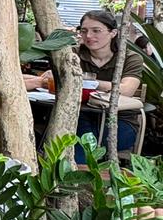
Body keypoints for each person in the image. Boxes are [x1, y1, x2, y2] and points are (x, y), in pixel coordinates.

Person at [24, 9, 143, 157]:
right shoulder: (72, 54)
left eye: (96, 31)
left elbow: (126, 90)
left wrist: (85, 81)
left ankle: (70, 172)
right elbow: (52, 79)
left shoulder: (130, 58)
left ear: (113, 33)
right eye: (84, 31)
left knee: (80, 143)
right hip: (78, 114)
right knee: (76, 136)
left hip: (118, 121)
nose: (89, 36)